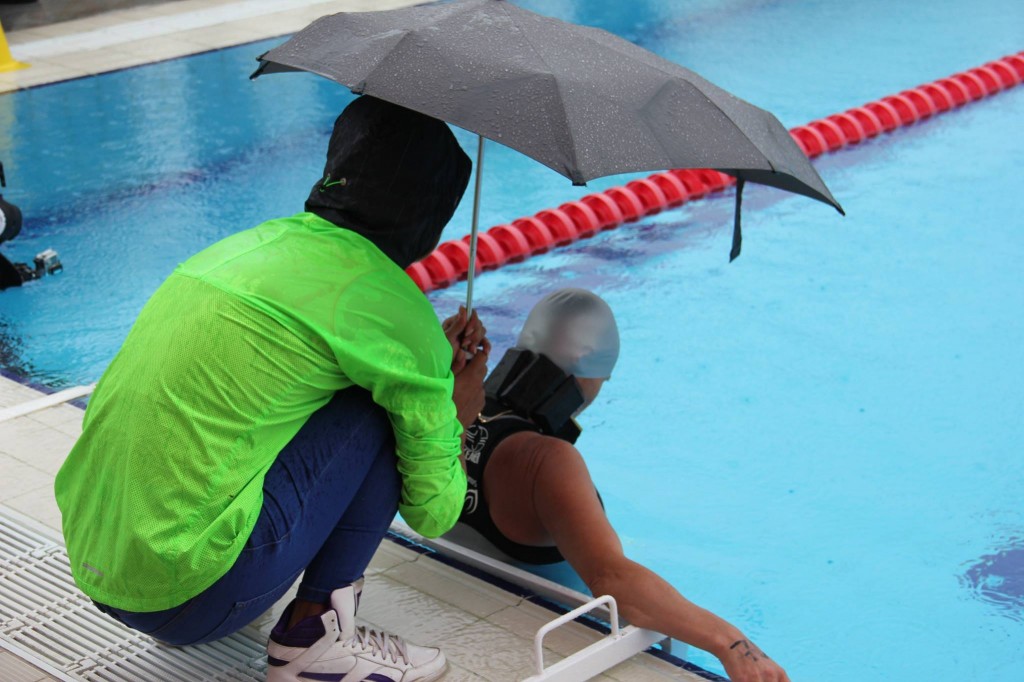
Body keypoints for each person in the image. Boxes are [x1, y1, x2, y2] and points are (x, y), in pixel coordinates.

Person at [54, 96, 488, 682]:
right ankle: (313, 644)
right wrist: (454, 403)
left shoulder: (247, 246)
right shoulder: (394, 313)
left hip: (96, 564)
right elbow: (433, 512)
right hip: (189, 596)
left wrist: (428, 364)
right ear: (430, 214)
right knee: (382, 409)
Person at [453, 288, 791, 682]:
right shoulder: (546, 461)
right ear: (587, 365)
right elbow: (612, 581)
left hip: (460, 597)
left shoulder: (455, 406)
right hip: (542, 644)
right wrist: (731, 642)